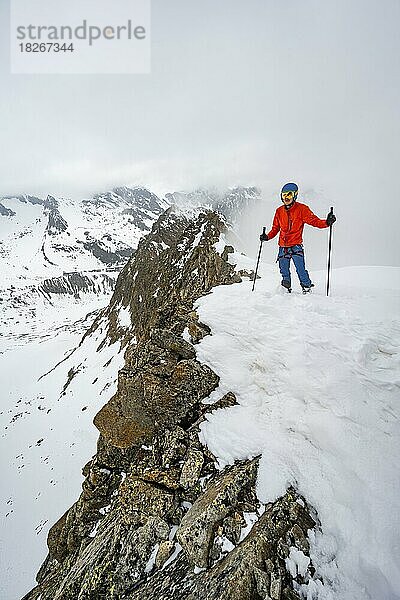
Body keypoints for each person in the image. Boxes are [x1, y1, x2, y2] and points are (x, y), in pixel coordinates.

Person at [260, 182, 336, 293]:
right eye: (284, 195)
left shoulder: (302, 209)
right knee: (284, 270)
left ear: (295, 195)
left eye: (289, 195)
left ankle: (306, 287)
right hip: (283, 247)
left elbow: (315, 221)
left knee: (300, 269)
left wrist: (327, 222)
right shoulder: (279, 211)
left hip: (296, 246)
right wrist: (267, 237)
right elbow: (275, 229)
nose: (286, 198)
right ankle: (286, 288)